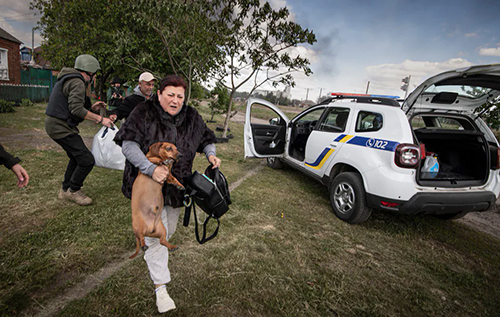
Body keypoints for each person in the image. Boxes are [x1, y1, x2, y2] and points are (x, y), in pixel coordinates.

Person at [114, 75, 220, 313]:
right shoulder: (143, 112)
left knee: (167, 231)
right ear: (159, 94)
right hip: (145, 188)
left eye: (180, 96)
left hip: (175, 190)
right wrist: (150, 169)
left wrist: (211, 154)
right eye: (170, 95)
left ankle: (152, 252)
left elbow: (206, 139)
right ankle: (161, 290)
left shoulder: (191, 116)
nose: (175, 100)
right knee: (156, 238)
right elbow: (128, 144)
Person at [45, 54, 114, 206]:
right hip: (60, 127)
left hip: (55, 124)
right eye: (94, 74)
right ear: (89, 72)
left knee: (76, 157)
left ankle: (65, 190)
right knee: (86, 159)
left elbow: (72, 105)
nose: (94, 77)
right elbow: (76, 109)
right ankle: (73, 191)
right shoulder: (77, 82)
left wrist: (91, 108)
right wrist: (101, 119)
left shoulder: (69, 78)